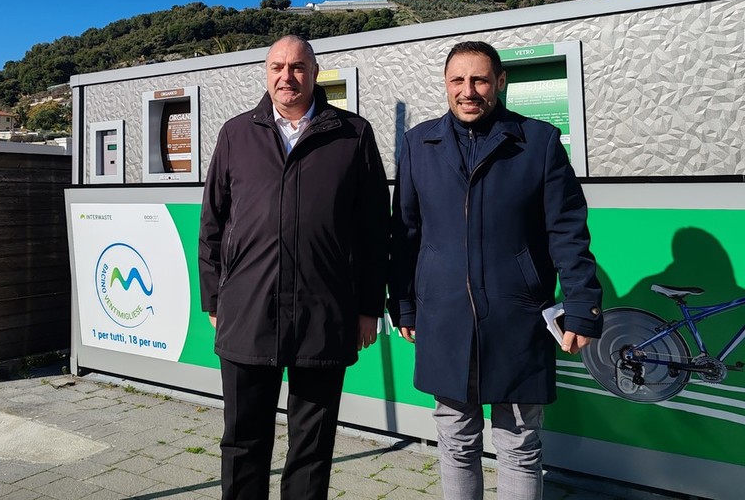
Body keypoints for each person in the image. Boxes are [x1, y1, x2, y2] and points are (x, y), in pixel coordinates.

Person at [388, 40, 602, 500]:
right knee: (455, 441)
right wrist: (403, 303)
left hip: (518, 316)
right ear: (446, 84)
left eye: (480, 80)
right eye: (458, 80)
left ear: (500, 82)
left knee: (520, 445)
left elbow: (567, 231)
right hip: (444, 316)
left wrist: (583, 306)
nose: (468, 91)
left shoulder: (538, 142)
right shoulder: (418, 144)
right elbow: (405, 232)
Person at [199, 35, 390, 500]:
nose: (287, 76)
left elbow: (374, 230)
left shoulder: (352, 133)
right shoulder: (236, 133)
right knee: (242, 441)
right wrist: (214, 299)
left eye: (298, 67)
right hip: (248, 309)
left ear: (315, 73)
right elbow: (212, 224)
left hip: (323, 312)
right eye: (277, 67)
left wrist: (369, 307)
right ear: (266, 73)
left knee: (312, 446)